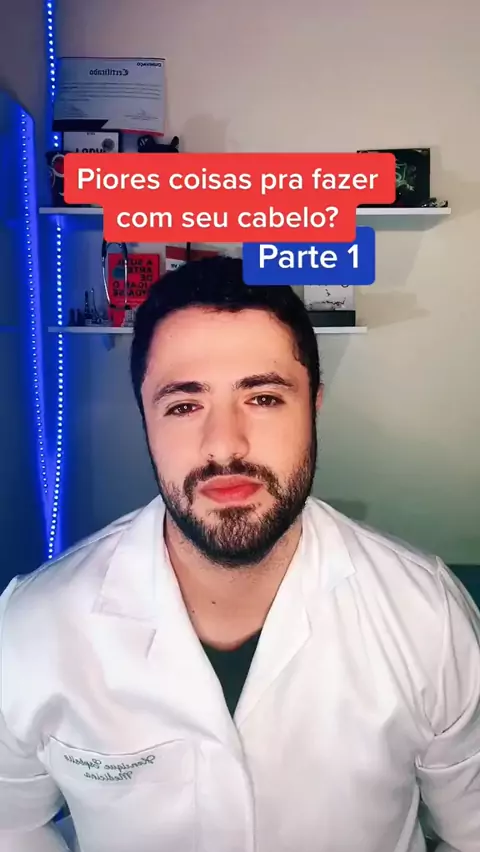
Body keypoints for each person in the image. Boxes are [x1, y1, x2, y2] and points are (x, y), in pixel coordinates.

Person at [0, 256, 479, 852]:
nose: (225, 444)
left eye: (265, 398)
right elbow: (11, 823)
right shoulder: (33, 627)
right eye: (183, 406)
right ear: (146, 419)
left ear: (313, 407)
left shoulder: (427, 615)